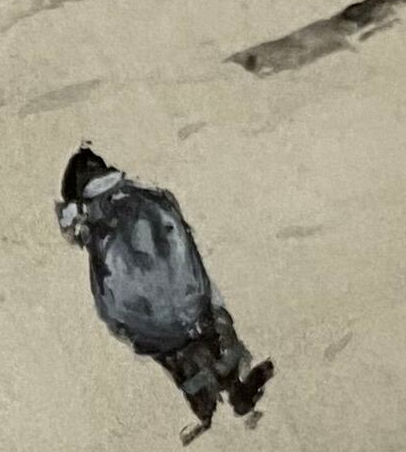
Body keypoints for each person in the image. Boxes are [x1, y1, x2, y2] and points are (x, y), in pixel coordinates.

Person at [54, 145, 273, 430]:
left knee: (172, 349)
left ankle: (203, 403)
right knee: (208, 320)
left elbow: (105, 287)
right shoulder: (153, 197)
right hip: (192, 302)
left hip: (149, 328)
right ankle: (234, 385)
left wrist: (123, 327)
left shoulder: (93, 227)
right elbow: (183, 244)